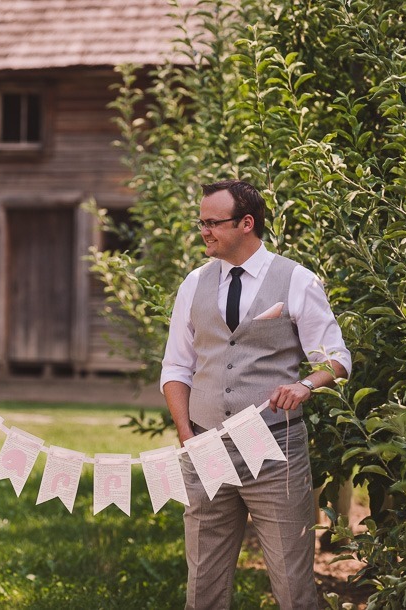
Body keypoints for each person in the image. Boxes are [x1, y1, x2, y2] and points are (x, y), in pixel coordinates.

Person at [161, 180, 351, 609]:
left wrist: (305, 385)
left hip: (274, 447)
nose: (203, 231)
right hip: (206, 443)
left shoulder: (297, 280)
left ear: (246, 223)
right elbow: (175, 366)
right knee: (203, 585)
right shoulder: (194, 283)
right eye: (201, 222)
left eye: (213, 223)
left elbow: (337, 359)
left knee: (292, 584)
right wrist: (186, 434)